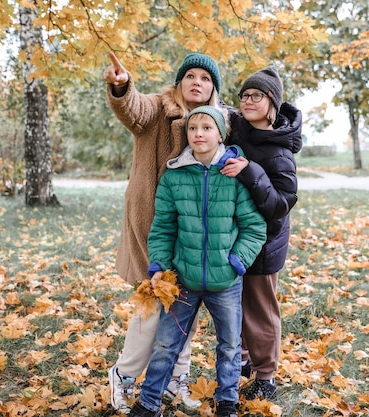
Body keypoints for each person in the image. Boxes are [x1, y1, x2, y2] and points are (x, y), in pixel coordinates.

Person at [103, 51, 224, 413]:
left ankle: (175, 379)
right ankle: (123, 376)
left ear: (213, 87)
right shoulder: (157, 108)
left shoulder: (215, 120)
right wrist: (122, 86)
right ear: (179, 82)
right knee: (154, 302)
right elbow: (132, 109)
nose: (197, 83)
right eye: (191, 76)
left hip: (193, 231)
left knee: (185, 305)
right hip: (153, 222)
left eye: (205, 78)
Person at [127, 106, 267, 417]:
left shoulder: (234, 173)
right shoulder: (174, 176)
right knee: (165, 345)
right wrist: (159, 266)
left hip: (226, 281)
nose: (199, 134)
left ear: (220, 134)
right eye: (193, 129)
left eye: (206, 128)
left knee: (230, 346)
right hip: (184, 280)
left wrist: (236, 261)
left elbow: (255, 227)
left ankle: (227, 402)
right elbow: (163, 227)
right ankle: (149, 403)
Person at [220, 65, 303, 401]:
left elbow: (281, 203)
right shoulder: (237, 128)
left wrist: (249, 171)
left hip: (265, 242)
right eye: (244, 96)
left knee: (260, 309)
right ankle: (242, 361)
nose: (247, 101)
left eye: (256, 95)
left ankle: (266, 374)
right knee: (235, 305)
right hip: (235, 237)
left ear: (272, 103)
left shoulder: (281, 152)